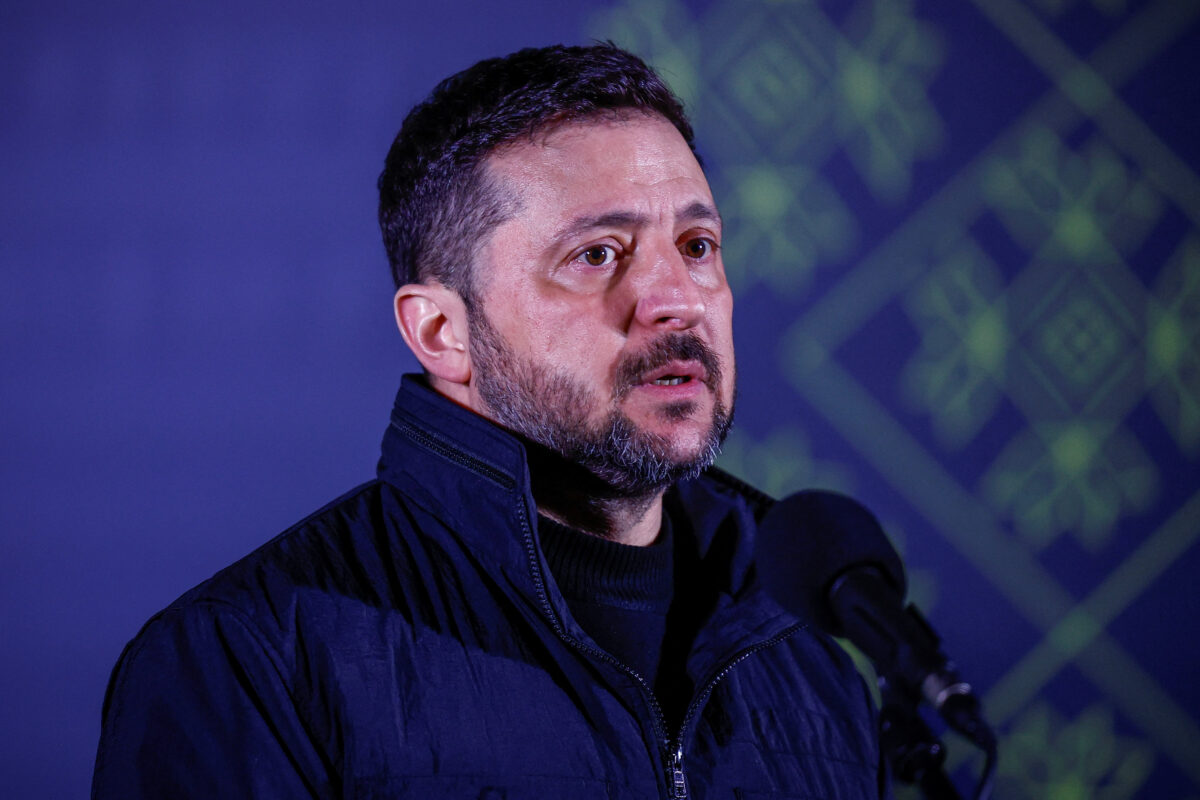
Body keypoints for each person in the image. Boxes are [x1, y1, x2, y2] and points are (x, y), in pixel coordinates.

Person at [92, 43, 887, 799]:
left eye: (697, 244)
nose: (676, 297)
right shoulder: (250, 658)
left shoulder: (817, 674)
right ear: (443, 332)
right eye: (598, 254)